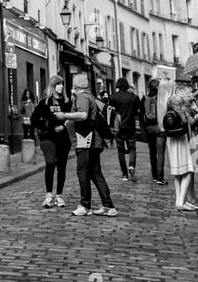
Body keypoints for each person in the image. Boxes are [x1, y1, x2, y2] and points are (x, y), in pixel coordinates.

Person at [63, 73, 116, 217]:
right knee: (95, 172)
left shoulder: (82, 97)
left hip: (86, 140)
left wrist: (65, 115)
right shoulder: (89, 95)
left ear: (75, 85)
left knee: (83, 172)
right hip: (94, 140)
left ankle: (85, 205)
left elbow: (83, 115)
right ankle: (108, 206)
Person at [32, 76, 72, 208]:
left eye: (62, 84)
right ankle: (49, 195)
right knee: (50, 165)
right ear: (52, 86)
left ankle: (59, 196)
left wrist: (65, 126)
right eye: (58, 84)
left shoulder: (67, 102)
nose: (61, 86)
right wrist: (48, 127)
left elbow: (73, 118)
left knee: (62, 168)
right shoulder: (45, 102)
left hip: (64, 139)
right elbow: (34, 119)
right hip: (49, 138)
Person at [164, 90, 198, 212]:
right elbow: (189, 124)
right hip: (182, 141)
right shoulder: (182, 112)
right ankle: (181, 201)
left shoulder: (169, 110)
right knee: (188, 170)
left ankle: (179, 201)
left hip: (171, 142)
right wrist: (196, 114)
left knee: (177, 173)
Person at [109, 78, 142, 182]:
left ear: (118, 85)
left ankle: (124, 174)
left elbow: (111, 113)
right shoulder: (133, 97)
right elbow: (137, 112)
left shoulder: (113, 97)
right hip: (130, 126)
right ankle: (131, 165)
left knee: (121, 150)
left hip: (118, 127)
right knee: (132, 148)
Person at [141, 79, 165, 185]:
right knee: (160, 153)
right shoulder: (162, 99)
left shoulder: (144, 99)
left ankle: (154, 175)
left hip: (149, 128)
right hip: (160, 128)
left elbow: (141, 116)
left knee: (152, 152)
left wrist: (144, 128)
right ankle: (160, 177)